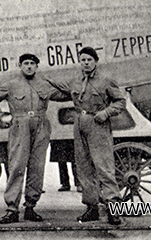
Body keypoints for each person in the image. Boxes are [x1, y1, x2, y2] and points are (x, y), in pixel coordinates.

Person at [0, 53, 65, 224]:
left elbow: (64, 95)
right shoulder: (11, 84)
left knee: (37, 166)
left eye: (32, 63)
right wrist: (1, 116)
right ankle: (12, 209)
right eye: (26, 63)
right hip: (20, 126)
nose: (29, 66)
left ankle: (30, 207)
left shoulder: (44, 83)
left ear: (36, 66)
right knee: (17, 166)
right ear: (20, 65)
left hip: (41, 125)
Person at [50, 46, 126, 226]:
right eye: (83, 60)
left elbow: (120, 101)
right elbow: (60, 91)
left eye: (89, 60)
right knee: (83, 167)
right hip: (79, 124)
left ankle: (113, 209)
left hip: (98, 123)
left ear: (95, 62)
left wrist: (106, 113)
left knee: (104, 167)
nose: (86, 63)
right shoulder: (75, 80)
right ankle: (91, 207)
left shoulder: (106, 80)